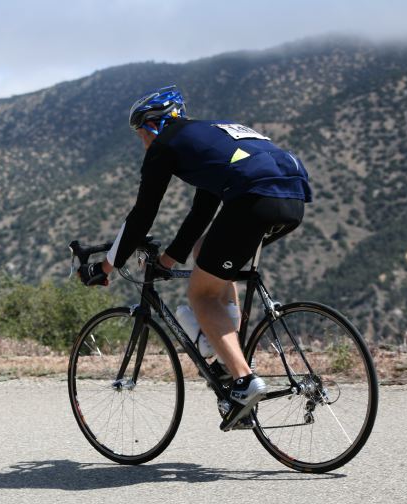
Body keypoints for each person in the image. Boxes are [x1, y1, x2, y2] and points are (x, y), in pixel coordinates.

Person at [77, 84, 311, 431]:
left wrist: (105, 266)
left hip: (254, 199)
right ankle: (224, 354)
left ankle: (244, 381)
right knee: (208, 253)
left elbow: (142, 215)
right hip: (292, 199)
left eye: (141, 133)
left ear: (154, 124)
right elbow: (202, 212)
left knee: (201, 295)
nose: (142, 142)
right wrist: (169, 260)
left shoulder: (165, 145)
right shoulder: (207, 138)